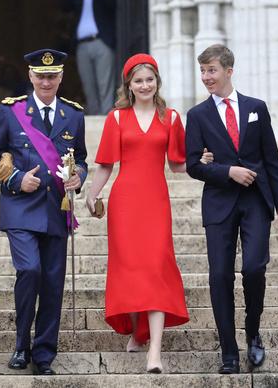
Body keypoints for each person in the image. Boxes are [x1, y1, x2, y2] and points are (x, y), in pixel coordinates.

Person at [85, 53, 213, 373]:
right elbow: (105, 164)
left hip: (155, 201)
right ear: (129, 84)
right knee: (129, 269)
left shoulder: (169, 117)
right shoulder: (117, 118)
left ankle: (154, 350)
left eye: (149, 79)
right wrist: (92, 192)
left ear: (157, 82)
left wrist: (204, 160)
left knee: (156, 268)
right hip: (124, 203)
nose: (144, 85)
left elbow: (177, 164)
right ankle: (137, 331)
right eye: (138, 80)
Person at [0, 49, 88, 376]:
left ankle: (43, 354)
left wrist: (78, 176)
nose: (46, 81)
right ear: (30, 76)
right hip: (20, 209)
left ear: (60, 77)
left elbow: (81, 158)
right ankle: (20, 344)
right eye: (40, 76)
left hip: (56, 209)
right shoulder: (11, 111)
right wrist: (15, 179)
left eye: (52, 75)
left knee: (53, 282)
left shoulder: (73, 115)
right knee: (30, 270)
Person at [185, 44, 278, 374]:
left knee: (255, 268)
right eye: (202, 71)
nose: (206, 77)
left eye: (212, 70)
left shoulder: (256, 108)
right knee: (219, 276)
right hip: (219, 203)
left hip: (257, 201)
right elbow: (191, 165)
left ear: (229, 71)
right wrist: (226, 171)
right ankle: (228, 350)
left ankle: (253, 332)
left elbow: (272, 160)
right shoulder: (197, 115)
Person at [63, 0, 116, 115]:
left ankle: (107, 118)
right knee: (88, 85)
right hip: (82, 45)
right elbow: (64, 8)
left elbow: (111, 2)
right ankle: (94, 116)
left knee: (105, 83)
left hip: (101, 42)